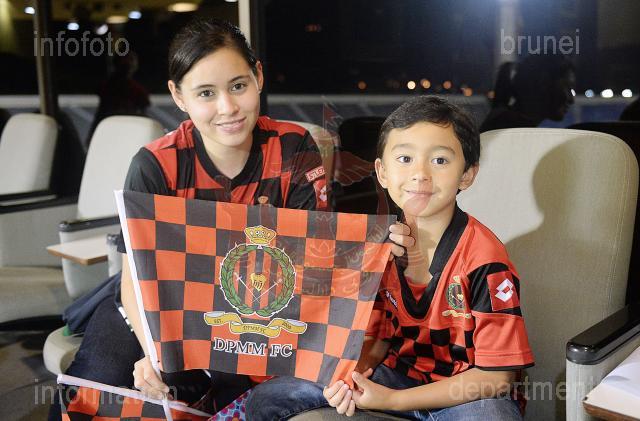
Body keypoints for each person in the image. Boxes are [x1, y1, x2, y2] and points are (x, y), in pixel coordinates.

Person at [48, 18, 413, 420]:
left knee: (218, 397)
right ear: (179, 96)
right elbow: (135, 274)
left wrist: (380, 245)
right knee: (89, 392)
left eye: (238, 86)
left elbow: (316, 257)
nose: (228, 107)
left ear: (258, 77)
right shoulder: (156, 164)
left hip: (251, 315)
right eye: (206, 93)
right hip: (155, 308)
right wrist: (154, 350)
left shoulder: (293, 148)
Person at [245, 96, 534, 420]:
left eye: (440, 160)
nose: (420, 174)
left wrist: (393, 400)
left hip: (465, 394)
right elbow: (380, 338)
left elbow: (497, 378)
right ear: (381, 171)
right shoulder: (380, 247)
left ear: (466, 174)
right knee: (268, 397)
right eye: (405, 158)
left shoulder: (484, 260)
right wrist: (355, 375)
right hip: (399, 374)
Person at [480, 54, 575, 132]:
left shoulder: (505, 122)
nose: (571, 99)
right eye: (567, 87)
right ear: (543, 83)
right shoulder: (515, 131)